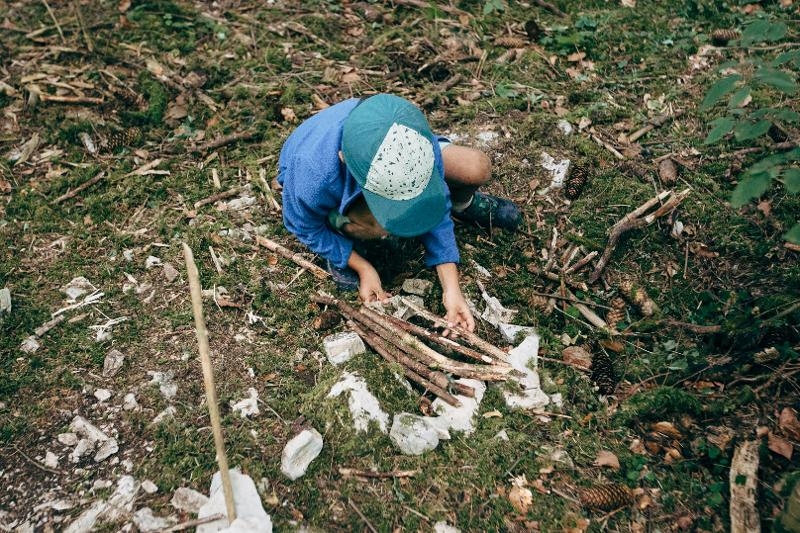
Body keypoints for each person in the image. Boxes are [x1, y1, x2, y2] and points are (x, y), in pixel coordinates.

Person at [277, 94, 521, 333]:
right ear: (344, 160)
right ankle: (343, 235)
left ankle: (464, 206)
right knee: (377, 224)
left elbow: (435, 201)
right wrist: (362, 267)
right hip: (334, 185)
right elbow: (303, 225)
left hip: (379, 156)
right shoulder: (313, 173)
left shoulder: (412, 139)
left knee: (475, 166)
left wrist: (451, 288)